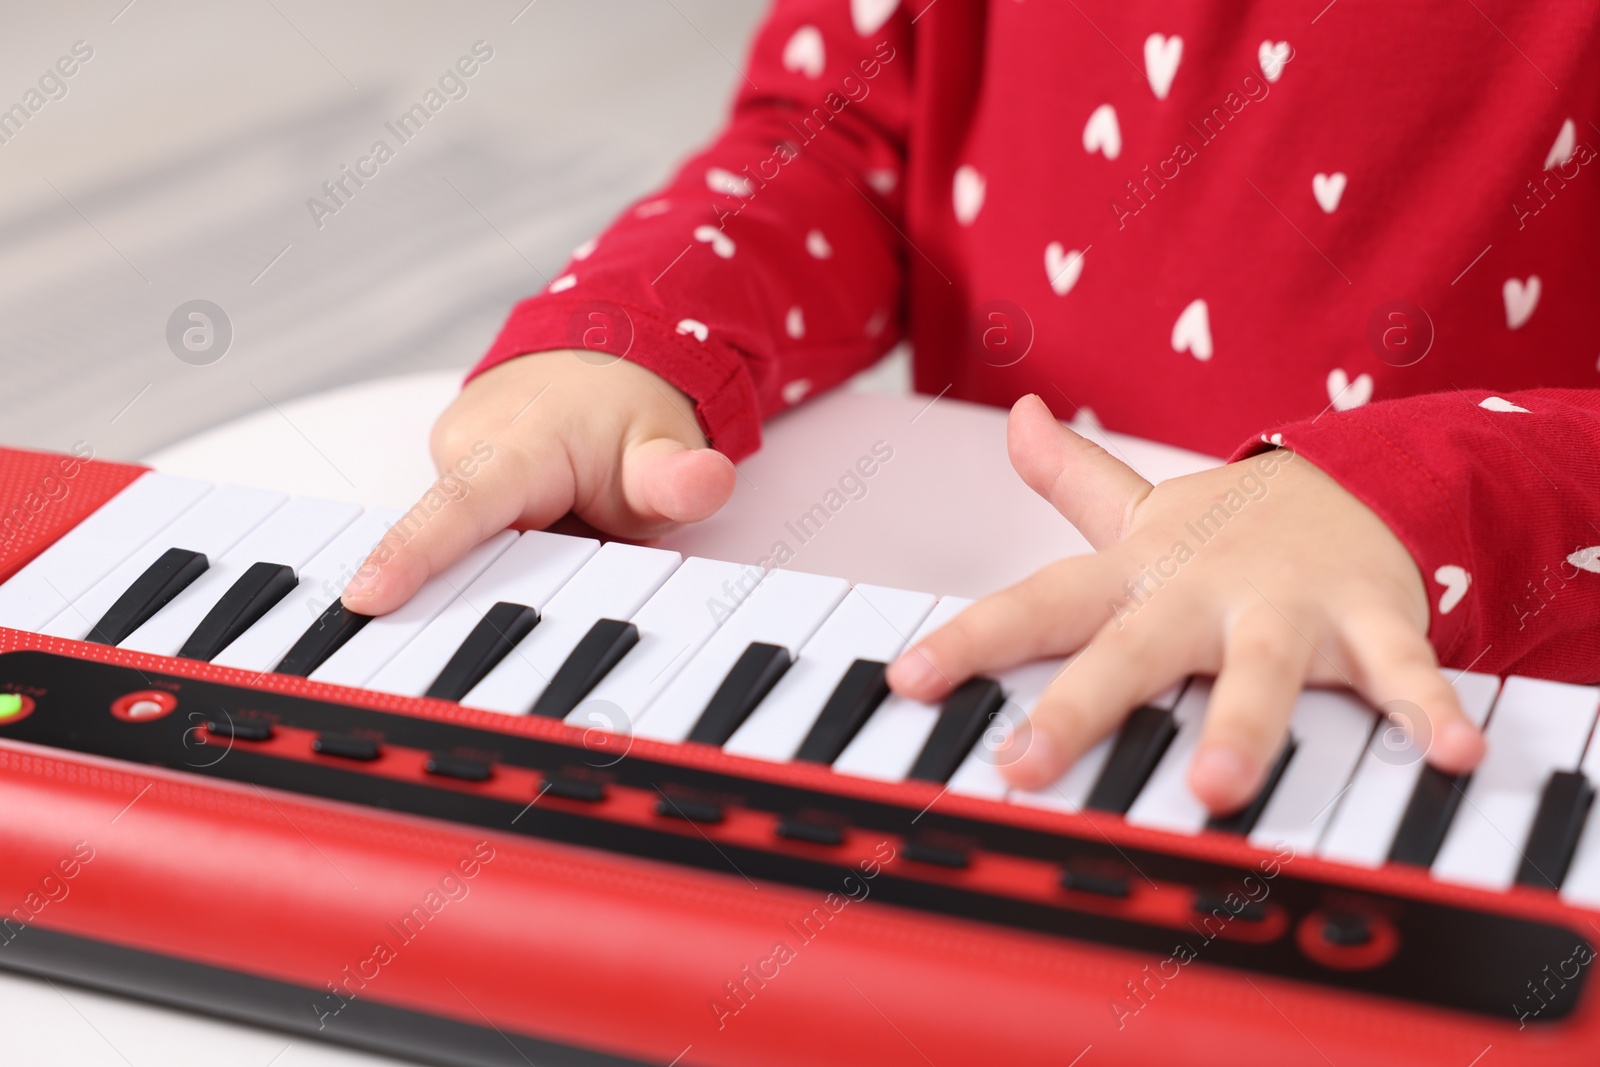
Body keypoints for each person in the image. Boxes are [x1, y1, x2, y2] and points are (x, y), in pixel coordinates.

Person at [340, 0, 1600, 814]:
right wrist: (638, 328)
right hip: (988, 693)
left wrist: (1415, 496)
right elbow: (844, 140)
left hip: (1447, 740)